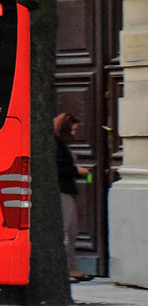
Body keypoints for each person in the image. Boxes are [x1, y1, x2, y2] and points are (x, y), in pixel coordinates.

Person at [54, 112, 91, 283]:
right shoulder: (56, 146)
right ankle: (67, 269)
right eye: (73, 130)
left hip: (67, 190)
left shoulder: (61, 144)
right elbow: (57, 169)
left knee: (71, 230)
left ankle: (72, 268)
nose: (75, 134)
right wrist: (77, 171)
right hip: (61, 191)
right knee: (65, 231)